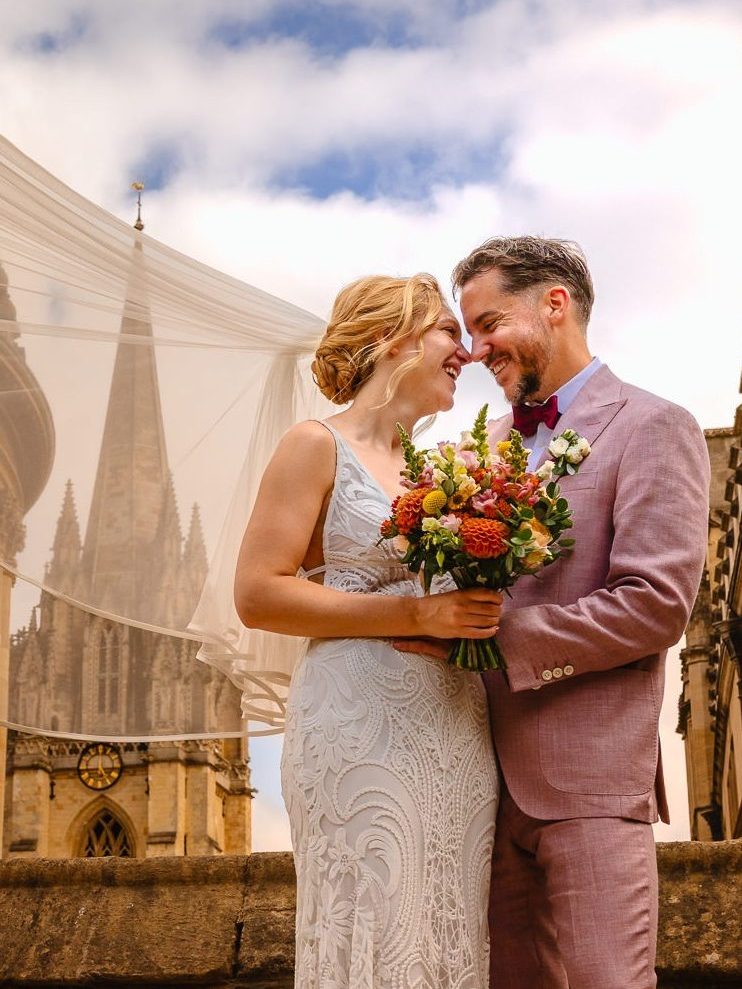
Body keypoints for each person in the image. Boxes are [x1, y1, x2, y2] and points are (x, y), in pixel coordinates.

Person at [398, 236, 710, 989]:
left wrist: (496, 639)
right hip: (475, 789)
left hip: (590, 784)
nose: (476, 349)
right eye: (468, 331)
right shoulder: (485, 450)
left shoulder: (654, 425)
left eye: (489, 322)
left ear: (555, 305)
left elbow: (656, 604)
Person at [234, 273, 501, 988]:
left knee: (449, 930)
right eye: (449, 329)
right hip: (358, 729)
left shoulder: (441, 475)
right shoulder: (313, 445)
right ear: (393, 338)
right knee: (376, 927)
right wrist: (413, 613)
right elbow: (258, 595)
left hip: (453, 730)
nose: (466, 351)